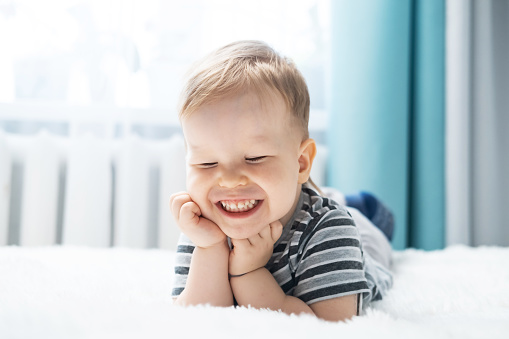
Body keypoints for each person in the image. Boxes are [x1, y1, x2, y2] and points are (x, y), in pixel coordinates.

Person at [170, 40, 393, 322]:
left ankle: (359, 205)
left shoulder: (330, 229)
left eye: (253, 158)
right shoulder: (204, 227)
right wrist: (211, 248)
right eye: (207, 163)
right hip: (291, 197)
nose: (228, 180)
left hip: (362, 235)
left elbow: (330, 327)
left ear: (301, 162)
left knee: (366, 227)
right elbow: (197, 319)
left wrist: (249, 274)